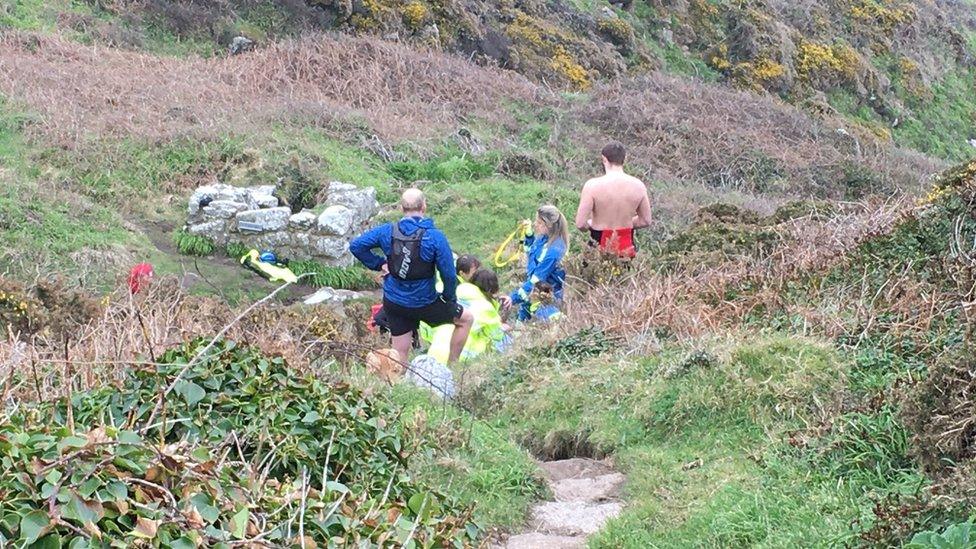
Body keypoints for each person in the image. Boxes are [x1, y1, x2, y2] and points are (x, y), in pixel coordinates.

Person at [350, 189, 473, 364]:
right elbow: (448, 275)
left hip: (395, 303)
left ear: (401, 208)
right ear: (424, 206)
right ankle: (452, 366)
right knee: (466, 319)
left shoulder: (387, 231)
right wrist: (449, 298)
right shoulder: (435, 236)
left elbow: (356, 246)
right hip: (426, 303)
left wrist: (379, 264)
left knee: (400, 352)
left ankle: (397, 383)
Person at [574, 141, 652, 258]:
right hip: (626, 244)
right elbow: (646, 220)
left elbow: (580, 224)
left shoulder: (592, 186)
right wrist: (628, 223)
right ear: (625, 159)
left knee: (593, 275)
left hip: (598, 241)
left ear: (604, 159)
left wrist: (590, 224)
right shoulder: (638, 186)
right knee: (625, 275)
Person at [499, 205, 569, 321]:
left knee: (545, 327)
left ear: (549, 225)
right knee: (520, 327)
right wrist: (529, 235)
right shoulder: (543, 238)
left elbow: (537, 279)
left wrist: (513, 298)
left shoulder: (554, 251)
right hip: (533, 293)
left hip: (546, 301)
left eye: (539, 223)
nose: (535, 224)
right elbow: (532, 254)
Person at [424, 268, 506, 364]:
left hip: (433, 356)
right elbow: (499, 341)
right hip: (463, 359)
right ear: (491, 290)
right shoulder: (485, 308)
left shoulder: (451, 298)